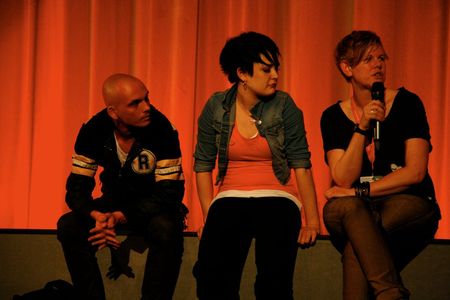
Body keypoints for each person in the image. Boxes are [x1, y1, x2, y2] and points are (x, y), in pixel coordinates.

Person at [193, 31, 320, 300]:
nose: (274, 75)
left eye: (276, 68)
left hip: (277, 195)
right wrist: (209, 214)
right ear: (242, 73)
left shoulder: (285, 106)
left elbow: (301, 164)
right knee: (211, 277)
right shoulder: (216, 106)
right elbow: (203, 164)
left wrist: (312, 220)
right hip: (230, 197)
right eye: (266, 69)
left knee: (274, 280)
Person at [320, 30, 441, 300]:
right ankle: (391, 293)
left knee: (358, 243)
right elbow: (342, 178)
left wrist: (358, 192)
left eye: (381, 58)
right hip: (354, 207)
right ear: (346, 67)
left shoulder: (408, 103)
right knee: (353, 213)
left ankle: (389, 293)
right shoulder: (332, 116)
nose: (378, 65)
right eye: (368, 60)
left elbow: (415, 172)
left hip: (405, 199)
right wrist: (361, 127)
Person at [57, 73, 187, 300]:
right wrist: (96, 215)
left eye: (146, 98)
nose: (146, 107)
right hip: (113, 201)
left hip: (154, 205)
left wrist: (121, 216)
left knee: (166, 228)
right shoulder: (93, 130)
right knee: (68, 225)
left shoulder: (163, 130)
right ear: (113, 112)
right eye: (135, 103)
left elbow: (170, 194)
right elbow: (76, 190)